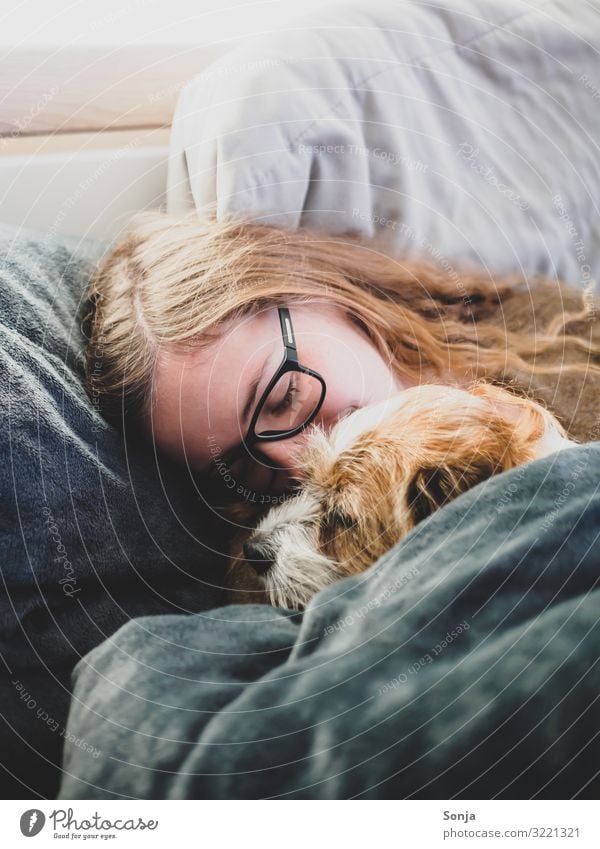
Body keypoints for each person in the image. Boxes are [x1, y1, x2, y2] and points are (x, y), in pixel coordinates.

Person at [82, 207, 600, 525]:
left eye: (284, 397)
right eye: (244, 465)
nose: (298, 461)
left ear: (311, 288)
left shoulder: (566, 335)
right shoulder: (296, 549)